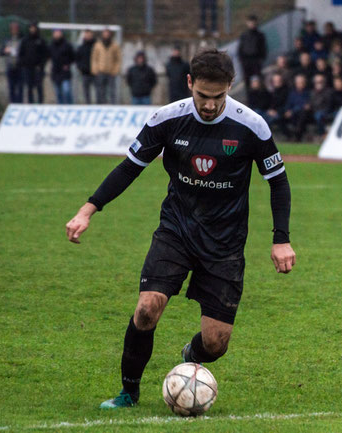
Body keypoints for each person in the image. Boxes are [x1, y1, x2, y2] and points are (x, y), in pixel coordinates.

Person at [65, 48, 296, 408]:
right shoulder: (167, 119)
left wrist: (280, 239)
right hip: (177, 229)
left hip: (225, 243)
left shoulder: (251, 125)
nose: (209, 104)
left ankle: (191, 353)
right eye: (202, 95)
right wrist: (88, 209)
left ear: (230, 87)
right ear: (190, 83)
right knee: (146, 309)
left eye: (218, 96)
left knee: (216, 343)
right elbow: (130, 167)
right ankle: (129, 392)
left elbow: (278, 182)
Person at [18, 21, 48, 103]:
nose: (32, 29)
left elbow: (45, 54)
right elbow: (21, 53)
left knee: (39, 86)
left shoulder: (41, 40)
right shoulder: (25, 40)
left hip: (38, 68)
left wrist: (41, 65)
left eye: (34, 28)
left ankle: (40, 103)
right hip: (28, 68)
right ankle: (31, 104)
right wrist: (23, 63)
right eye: (31, 28)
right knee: (29, 87)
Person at [238, 15, 267, 97]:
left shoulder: (260, 35)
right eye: (250, 22)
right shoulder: (244, 35)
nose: (252, 24)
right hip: (246, 61)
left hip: (256, 61)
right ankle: (249, 98)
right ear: (247, 23)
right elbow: (240, 48)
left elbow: (263, 48)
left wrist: (260, 59)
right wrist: (242, 60)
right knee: (247, 81)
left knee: (257, 80)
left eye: (253, 22)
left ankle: (259, 98)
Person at [92, 29, 122, 104]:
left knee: (112, 90)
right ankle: (101, 104)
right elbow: (94, 58)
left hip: (111, 72)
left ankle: (113, 105)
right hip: (101, 71)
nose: (106, 35)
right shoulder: (98, 45)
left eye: (107, 33)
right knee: (100, 90)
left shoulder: (115, 45)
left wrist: (116, 70)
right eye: (105, 33)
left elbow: (118, 59)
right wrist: (95, 69)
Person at [0, 20, 23, 103]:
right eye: (12, 28)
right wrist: (5, 50)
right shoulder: (7, 40)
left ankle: (19, 104)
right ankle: (12, 103)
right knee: (11, 87)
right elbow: (1, 52)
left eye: (15, 28)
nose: (14, 30)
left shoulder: (22, 40)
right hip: (10, 66)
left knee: (20, 88)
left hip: (19, 67)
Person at [49, 29, 75, 104]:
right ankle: (60, 107)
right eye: (55, 33)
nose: (57, 34)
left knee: (66, 90)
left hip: (65, 72)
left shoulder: (67, 45)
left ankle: (70, 106)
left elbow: (73, 57)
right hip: (55, 72)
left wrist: (67, 64)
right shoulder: (51, 45)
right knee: (58, 92)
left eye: (58, 33)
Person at [76, 30, 96, 103]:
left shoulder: (96, 46)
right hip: (85, 72)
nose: (88, 36)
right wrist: (80, 68)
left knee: (98, 90)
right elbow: (77, 59)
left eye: (89, 35)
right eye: (87, 35)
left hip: (95, 72)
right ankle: (88, 104)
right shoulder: (81, 47)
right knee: (86, 91)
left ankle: (100, 105)